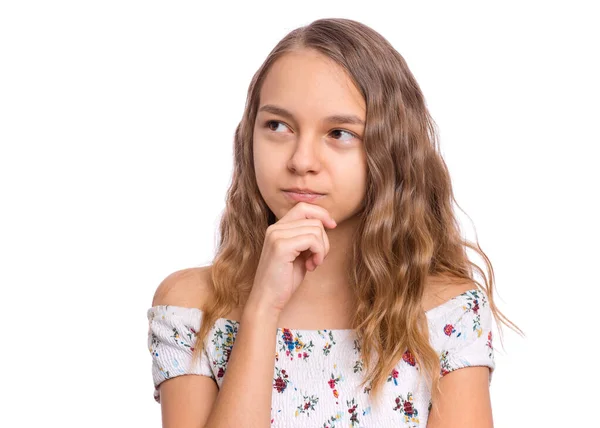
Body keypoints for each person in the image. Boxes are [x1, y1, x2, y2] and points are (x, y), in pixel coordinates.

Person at [147, 18, 522, 427]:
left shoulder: (447, 313)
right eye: (277, 126)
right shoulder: (191, 309)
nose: (301, 161)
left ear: (390, 148)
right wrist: (262, 308)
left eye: (339, 133)